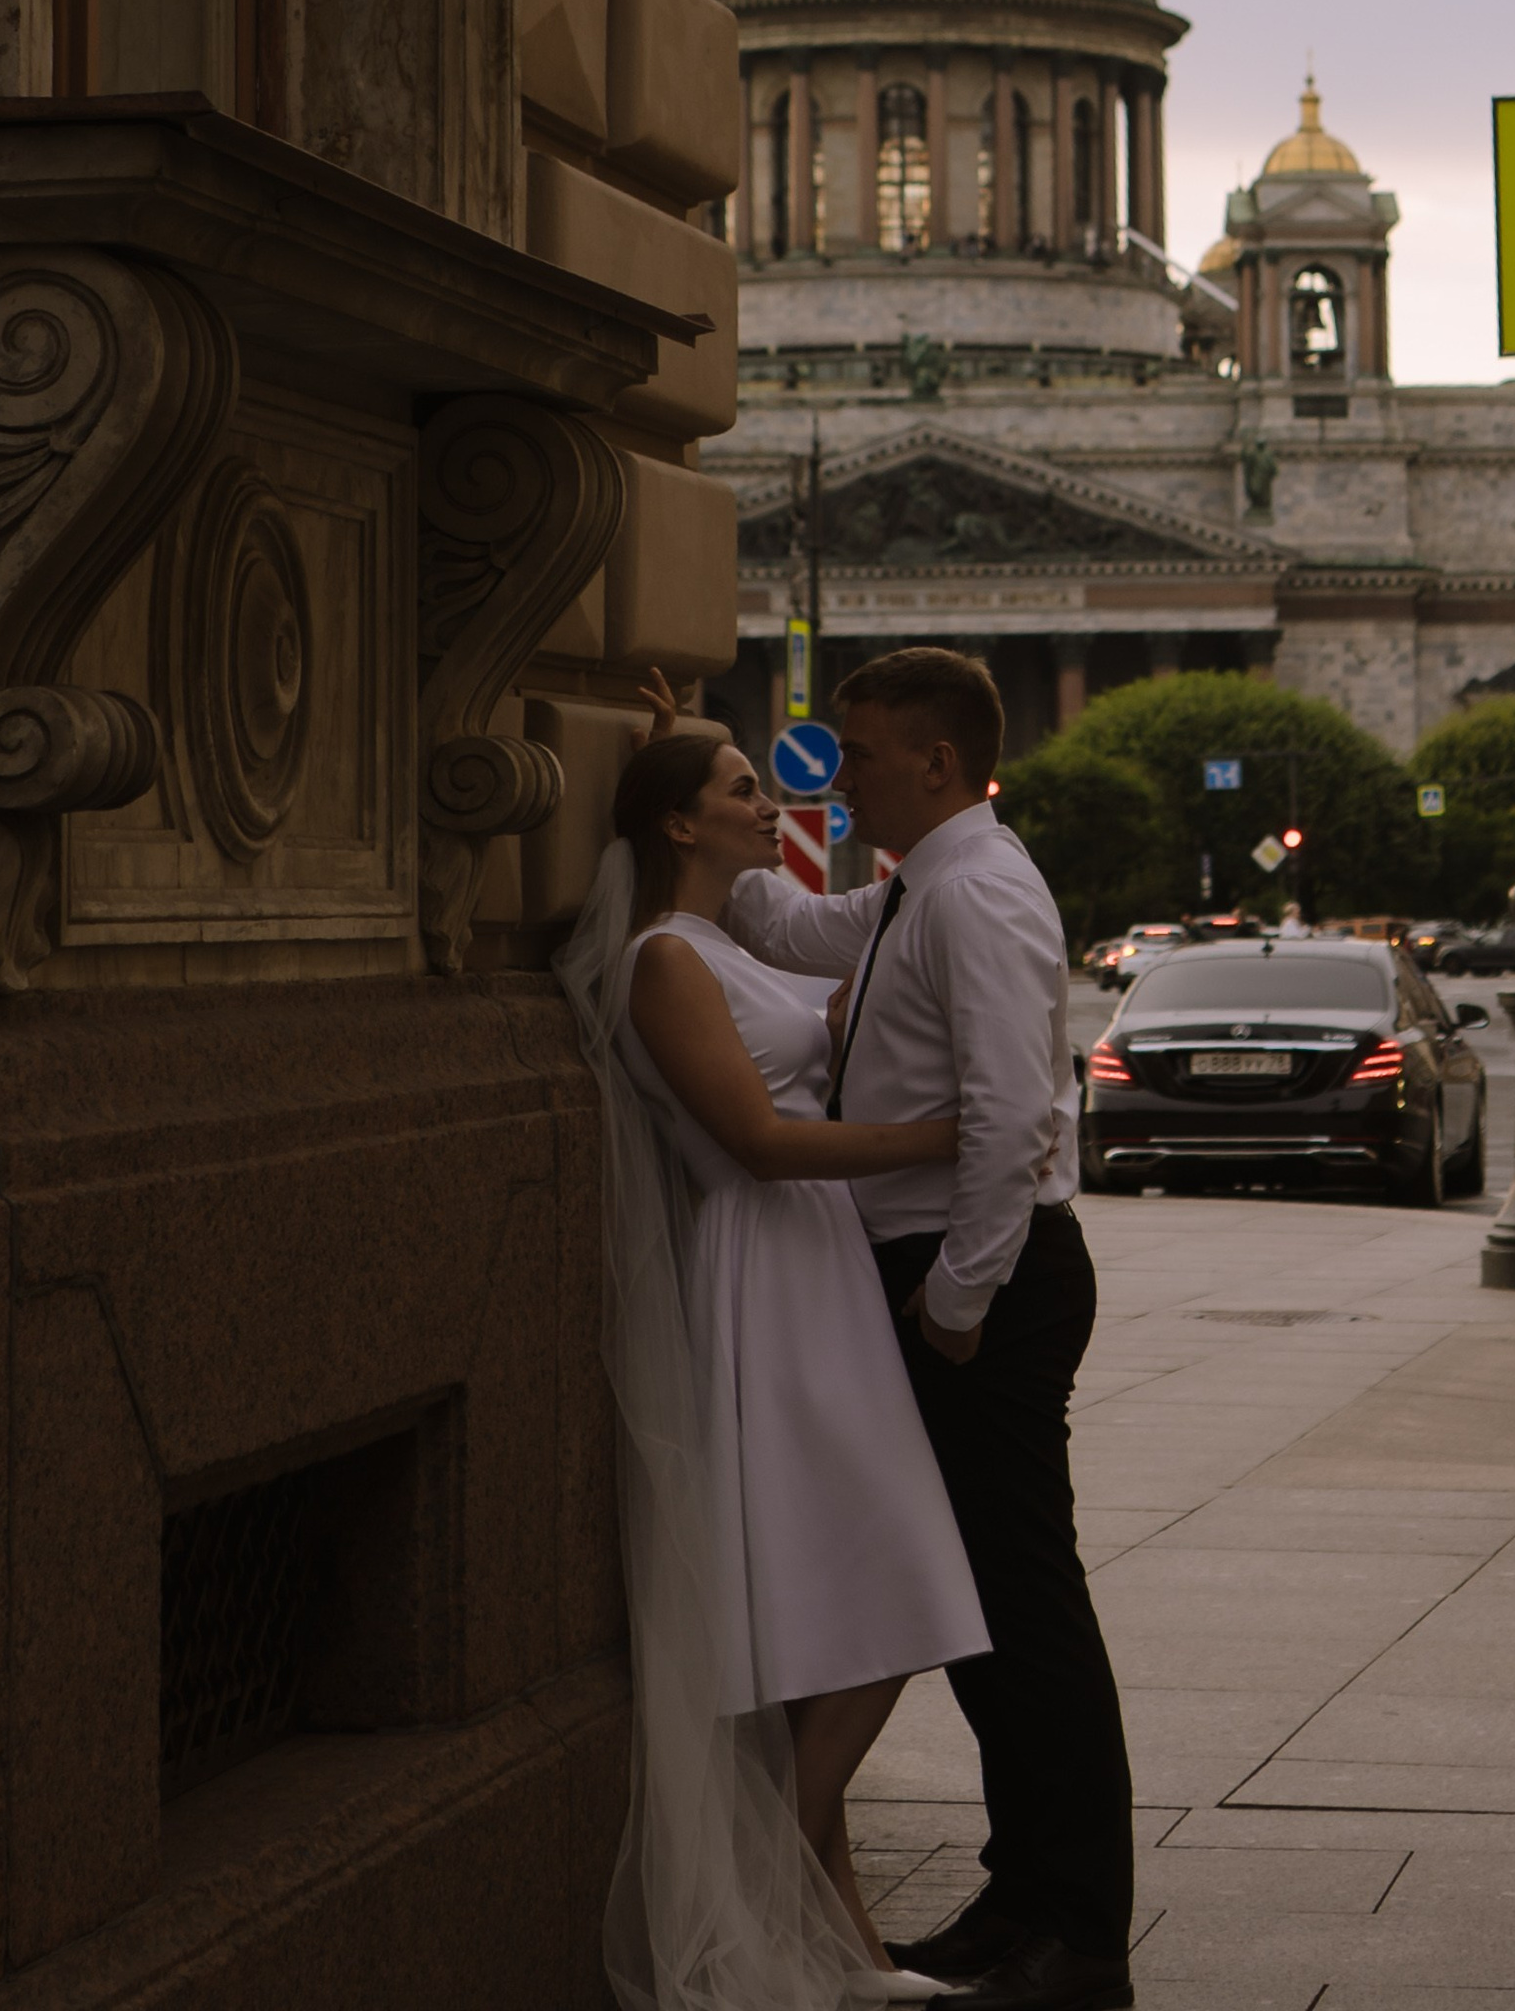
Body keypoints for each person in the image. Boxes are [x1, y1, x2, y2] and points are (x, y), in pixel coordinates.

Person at [724, 648, 1137, 2011]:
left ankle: (1077, 1932)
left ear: (939, 763)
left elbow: (1016, 1114)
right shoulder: (916, 885)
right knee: (977, 1615)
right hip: (946, 1278)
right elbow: (787, 933)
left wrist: (958, 1304)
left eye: (860, 755)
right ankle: (1023, 1897)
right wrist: (707, 822)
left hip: (989, 1288)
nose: (837, 781)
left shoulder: (982, 888)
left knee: (1024, 1609)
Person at [558, 722, 990, 2009]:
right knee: (897, 1586)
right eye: (742, 787)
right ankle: (761, 1879)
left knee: (833, 1607)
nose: (771, 800)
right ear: (680, 826)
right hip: (769, 1273)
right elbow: (756, 1144)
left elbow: (845, 952)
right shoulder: (661, 963)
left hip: (820, 1271)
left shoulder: (728, 943)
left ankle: (844, 1952)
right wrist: (951, 1139)